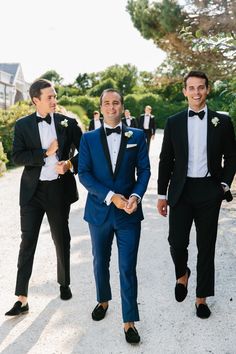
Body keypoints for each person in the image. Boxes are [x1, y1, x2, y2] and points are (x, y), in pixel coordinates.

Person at [157, 71, 236, 319]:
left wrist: (223, 185)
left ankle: (201, 298)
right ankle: (182, 273)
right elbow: (165, 160)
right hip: (180, 190)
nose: (196, 92)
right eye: (191, 88)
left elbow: (232, 157)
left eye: (200, 87)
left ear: (208, 89)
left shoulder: (221, 122)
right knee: (176, 242)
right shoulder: (174, 121)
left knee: (206, 245)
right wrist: (162, 194)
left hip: (209, 191)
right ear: (184, 91)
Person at [5, 79, 82, 316]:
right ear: (35, 100)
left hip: (58, 190)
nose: (54, 100)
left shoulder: (67, 122)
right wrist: (44, 153)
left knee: (61, 238)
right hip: (32, 192)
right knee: (27, 242)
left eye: (55, 96)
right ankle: (22, 298)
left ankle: (64, 283)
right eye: (49, 97)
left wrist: (69, 164)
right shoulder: (23, 125)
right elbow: (17, 157)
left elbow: (88, 151)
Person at [78, 88, 150, 344]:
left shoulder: (137, 136)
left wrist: (135, 197)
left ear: (122, 106)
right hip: (99, 212)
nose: (111, 107)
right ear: (101, 107)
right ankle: (103, 300)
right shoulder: (87, 139)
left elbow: (144, 171)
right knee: (100, 262)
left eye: (116, 103)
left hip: (129, 213)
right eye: (106, 103)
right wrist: (111, 196)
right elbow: (84, 174)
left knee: (127, 267)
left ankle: (129, 321)